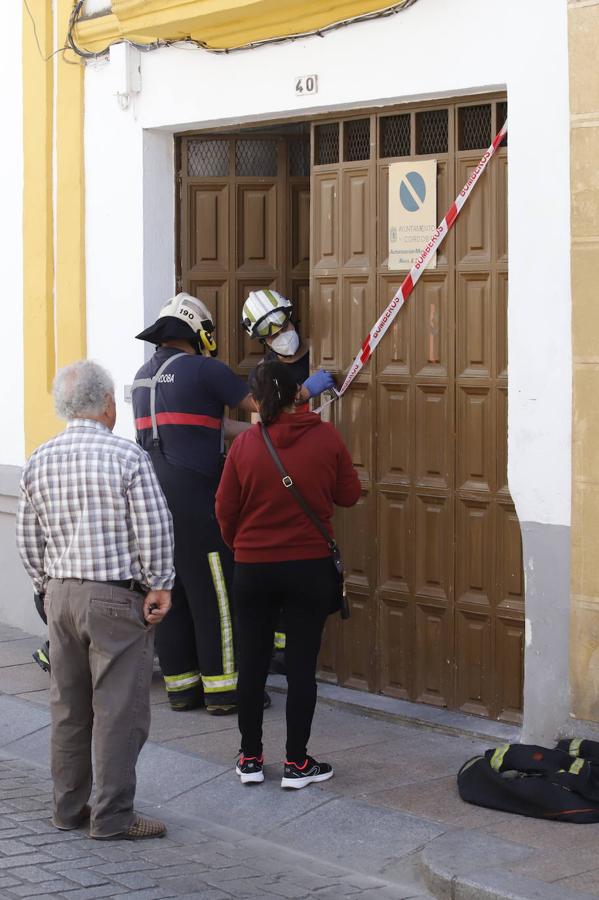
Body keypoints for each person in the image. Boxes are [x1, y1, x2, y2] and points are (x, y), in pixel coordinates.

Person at [16, 360, 174, 840]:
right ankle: (112, 816)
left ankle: (67, 810)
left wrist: (47, 585)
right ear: (107, 403)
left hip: (60, 594)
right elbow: (154, 529)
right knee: (117, 709)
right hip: (113, 598)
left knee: (68, 707)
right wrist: (159, 583)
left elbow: (27, 539)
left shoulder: (39, 458)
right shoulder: (127, 457)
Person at [215, 360, 361, 789]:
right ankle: (297, 764)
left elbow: (224, 510)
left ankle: (250, 759)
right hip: (309, 568)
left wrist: (241, 546)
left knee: (253, 664)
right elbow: (349, 495)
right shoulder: (326, 437)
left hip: (253, 569)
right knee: (301, 668)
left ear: (259, 400)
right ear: (298, 393)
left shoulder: (244, 446)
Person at [132, 292, 263, 715]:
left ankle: (182, 689)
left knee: (172, 593)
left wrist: (250, 434)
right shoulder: (205, 369)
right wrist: (301, 393)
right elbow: (262, 405)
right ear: (199, 332)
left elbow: (207, 425)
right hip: (195, 501)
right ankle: (225, 692)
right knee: (217, 596)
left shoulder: (142, 377)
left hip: (153, 502)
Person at [241, 289, 335, 665]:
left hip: (318, 465)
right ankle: (283, 648)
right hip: (283, 473)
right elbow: (260, 420)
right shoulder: (262, 373)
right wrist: (302, 395)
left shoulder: (321, 351)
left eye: (283, 322)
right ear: (262, 339)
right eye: (271, 331)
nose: (282, 333)